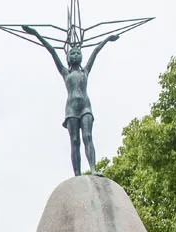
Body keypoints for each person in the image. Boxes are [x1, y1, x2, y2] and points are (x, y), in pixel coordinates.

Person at [21, 25, 119, 175]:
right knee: (74, 141)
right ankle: (77, 174)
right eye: (72, 53)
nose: (75, 55)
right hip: (71, 109)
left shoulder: (85, 71)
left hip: (85, 106)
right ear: (67, 58)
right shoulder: (65, 72)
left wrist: (107, 39)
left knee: (87, 136)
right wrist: (35, 34)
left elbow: (96, 51)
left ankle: (93, 169)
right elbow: (51, 50)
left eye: (77, 53)